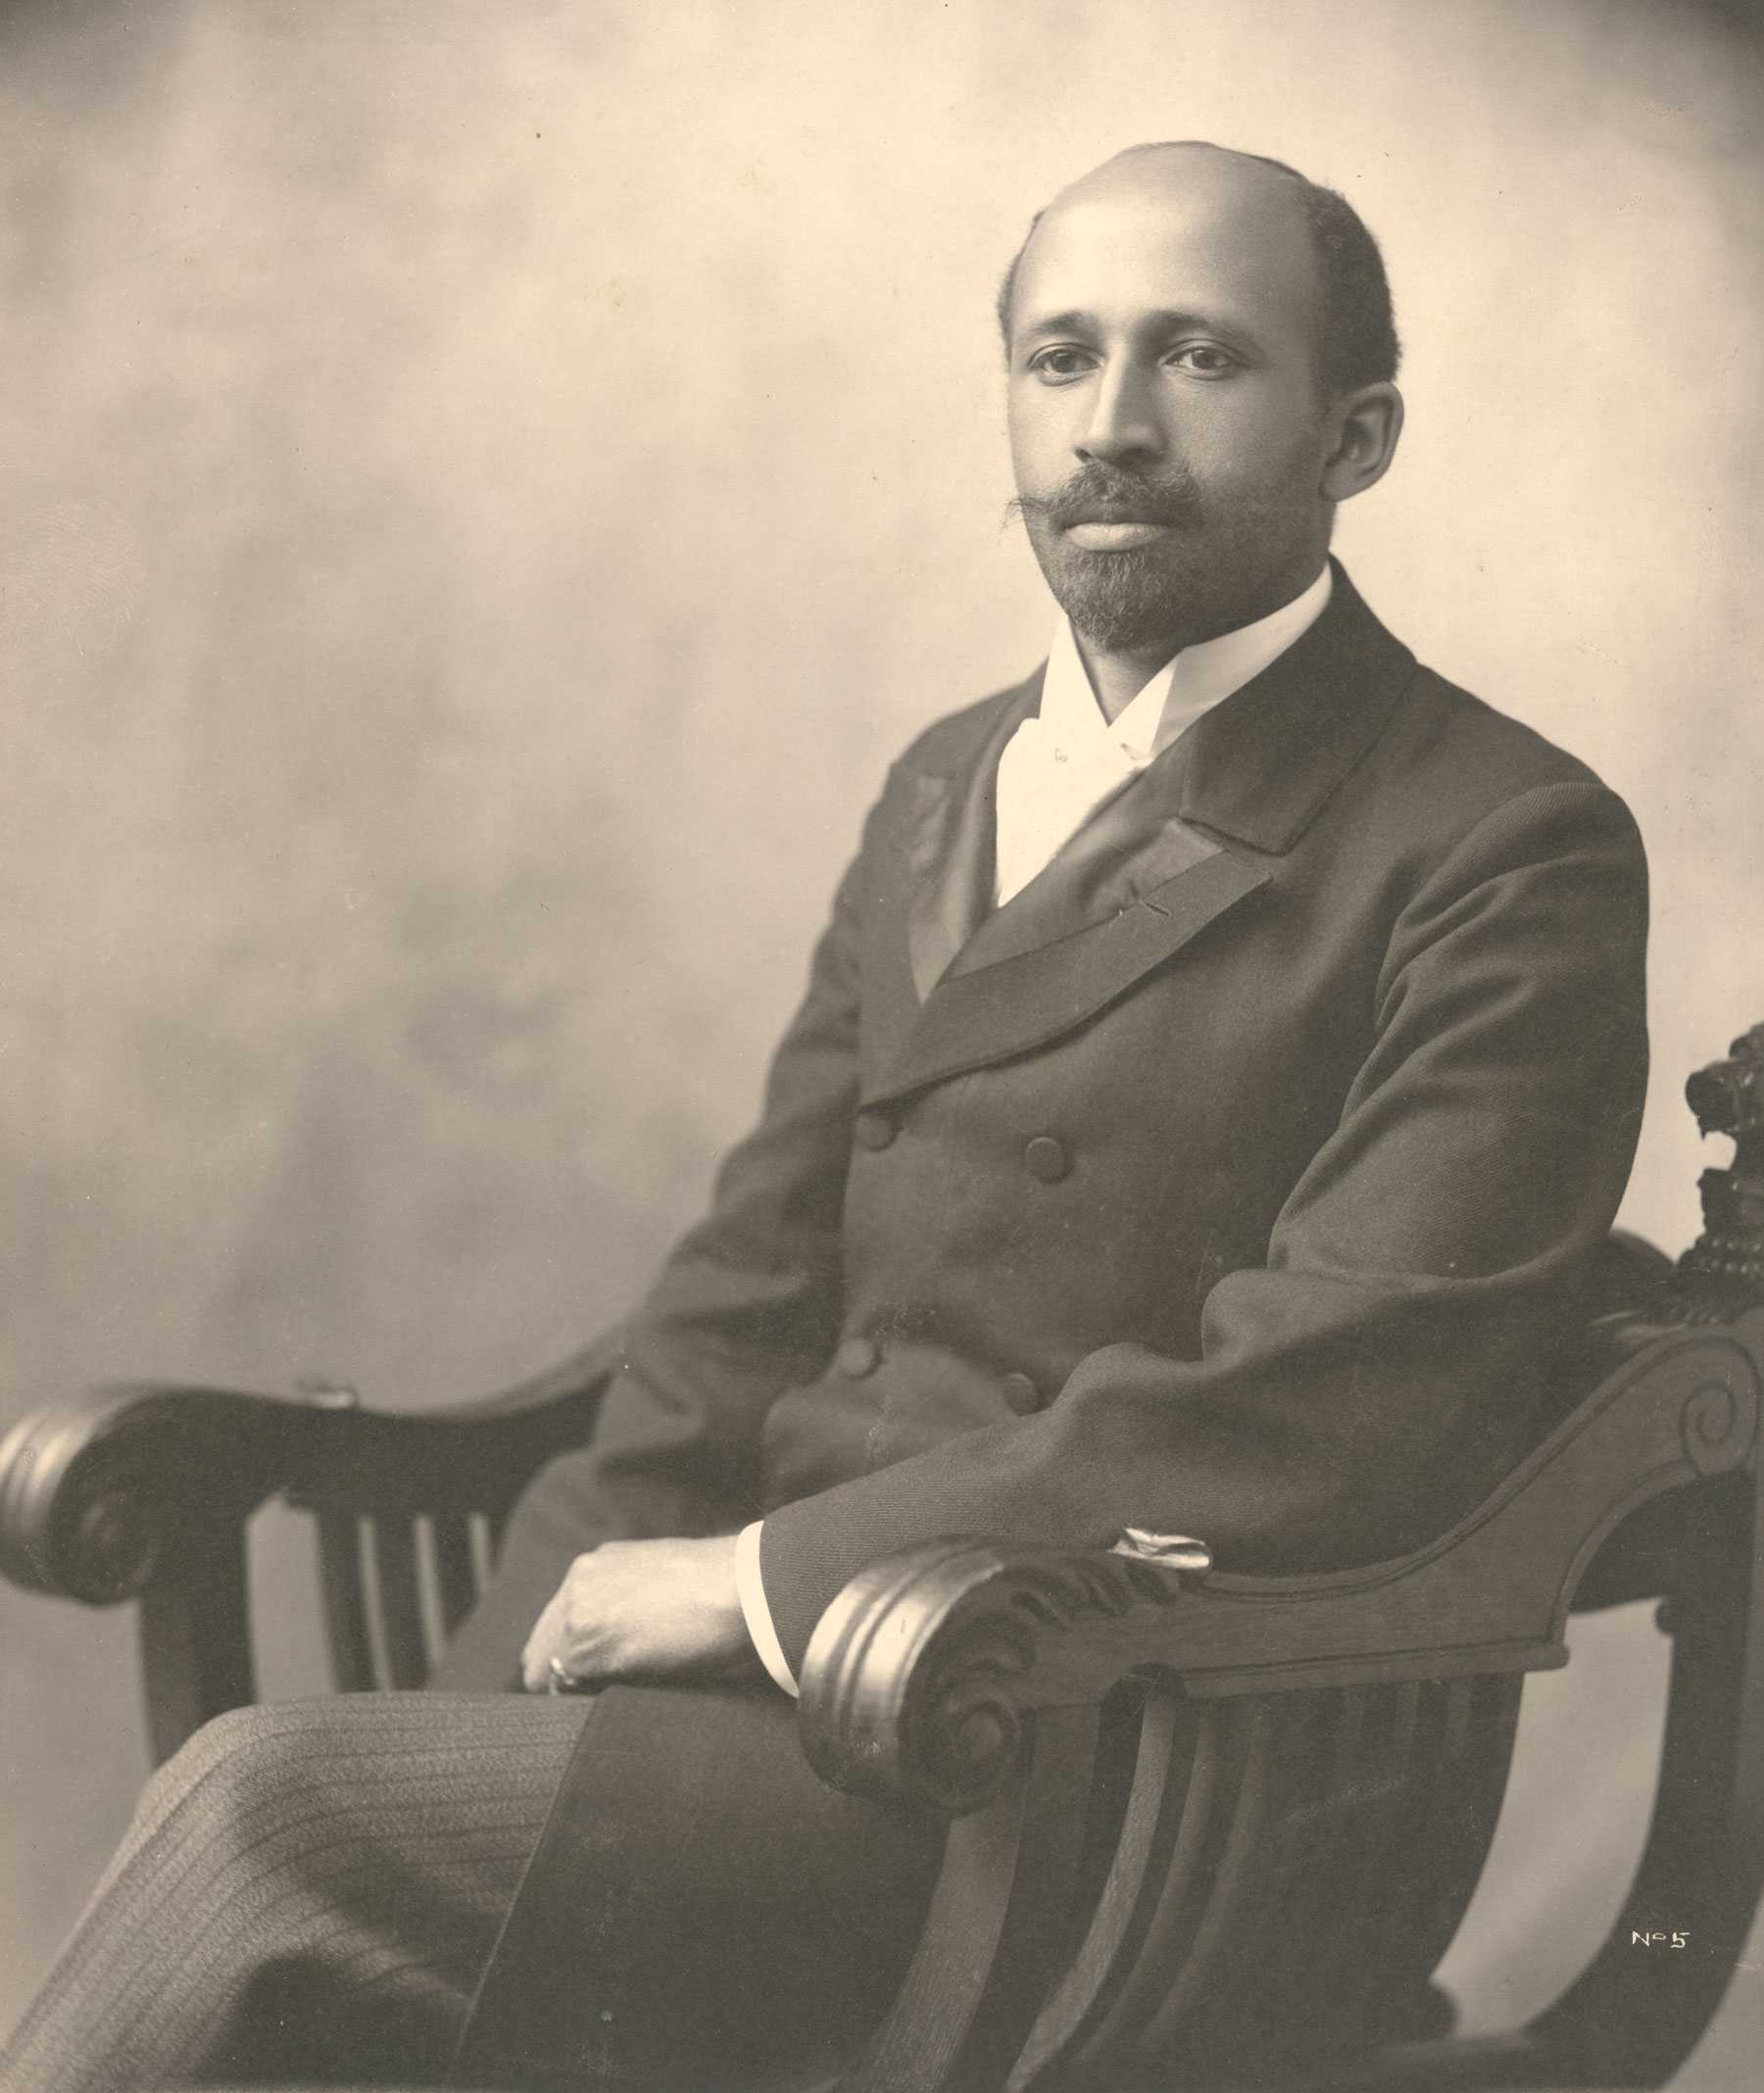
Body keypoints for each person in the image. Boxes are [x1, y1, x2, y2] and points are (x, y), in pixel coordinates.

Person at [1, 141, 1648, 2091]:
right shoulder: (953, 782)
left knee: (261, 1823)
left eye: (1199, 359)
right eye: (1060, 359)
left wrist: (751, 1587)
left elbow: (1345, 1400)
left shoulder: (1497, 838)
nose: (1110, 425)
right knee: (294, 1830)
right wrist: (503, 1680)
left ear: (1357, 433)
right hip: (811, 1723)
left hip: (1132, 1760)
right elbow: (738, 1309)